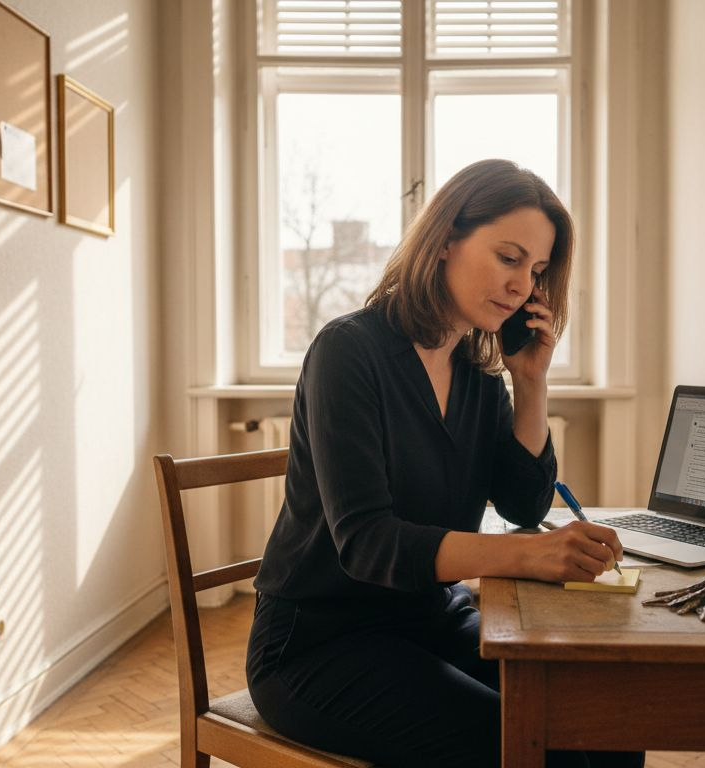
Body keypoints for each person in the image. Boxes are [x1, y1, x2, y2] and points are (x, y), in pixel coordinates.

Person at [246, 159, 644, 768]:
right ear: (444, 242)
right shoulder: (348, 351)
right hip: (319, 642)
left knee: (606, 732)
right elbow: (368, 544)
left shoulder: (479, 377)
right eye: (508, 258)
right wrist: (533, 554)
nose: (522, 287)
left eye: (536, 271)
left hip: (427, 617)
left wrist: (531, 382)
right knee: (528, 748)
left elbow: (522, 502)